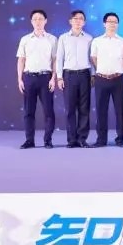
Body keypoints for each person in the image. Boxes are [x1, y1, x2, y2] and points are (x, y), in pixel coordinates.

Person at [16, 9, 57, 149]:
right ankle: (29, 140)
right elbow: (21, 60)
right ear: (31, 22)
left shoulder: (52, 39)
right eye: (35, 19)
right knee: (29, 111)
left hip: (46, 78)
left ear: (46, 21)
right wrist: (20, 79)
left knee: (48, 111)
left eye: (40, 19)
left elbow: (55, 60)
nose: (38, 21)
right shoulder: (25, 39)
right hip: (29, 77)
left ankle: (48, 140)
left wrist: (53, 78)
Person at [56, 10, 94, 148]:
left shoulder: (89, 38)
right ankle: (72, 140)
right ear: (70, 21)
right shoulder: (63, 38)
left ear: (84, 22)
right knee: (70, 109)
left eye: (81, 18)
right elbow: (59, 58)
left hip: (85, 75)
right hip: (69, 75)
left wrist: (93, 75)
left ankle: (82, 139)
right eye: (75, 18)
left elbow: (92, 58)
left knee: (84, 108)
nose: (78, 21)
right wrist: (59, 77)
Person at [90, 12, 123, 147]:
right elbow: (94, 58)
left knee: (120, 110)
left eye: (115, 22)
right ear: (104, 24)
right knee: (101, 110)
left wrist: (116, 70)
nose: (112, 24)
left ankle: (121, 139)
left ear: (118, 25)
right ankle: (101, 139)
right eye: (110, 21)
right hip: (101, 79)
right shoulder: (97, 41)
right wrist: (102, 70)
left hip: (118, 79)